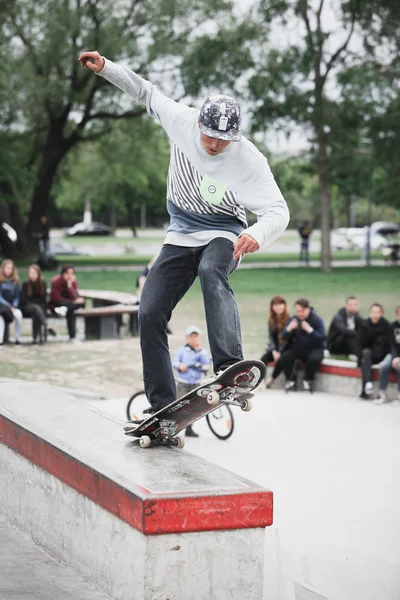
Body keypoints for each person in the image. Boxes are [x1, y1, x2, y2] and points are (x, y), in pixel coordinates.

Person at [78, 51, 289, 424]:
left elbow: (278, 210)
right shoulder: (181, 118)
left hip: (225, 232)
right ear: (199, 125)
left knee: (212, 270)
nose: (213, 145)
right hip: (179, 234)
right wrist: (107, 68)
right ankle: (160, 403)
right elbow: (145, 91)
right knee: (149, 310)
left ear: (234, 137)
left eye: (223, 141)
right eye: (209, 137)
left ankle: (230, 368)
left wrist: (257, 233)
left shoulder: (249, 160)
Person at [172, 326, 211, 437]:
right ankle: (175, 427)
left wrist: (200, 351)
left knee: (193, 407)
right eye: (192, 337)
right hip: (183, 383)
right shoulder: (182, 351)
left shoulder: (202, 352)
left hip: (196, 383)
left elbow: (206, 362)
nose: (194, 339)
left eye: (196, 336)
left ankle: (189, 428)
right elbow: (174, 362)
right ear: (187, 338)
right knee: (180, 406)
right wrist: (180, 365)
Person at [280, 298, 325, 391]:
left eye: (302, 311)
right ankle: (291, 380)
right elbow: (283, 337)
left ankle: (308, 379)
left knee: (313, 359)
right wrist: (289, 329)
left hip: (314, 348)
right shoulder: (294, 319)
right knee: (285, 357)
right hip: (298, 348)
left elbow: (322, 338)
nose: (299, 314)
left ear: (308, 309)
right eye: (297, 311)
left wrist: (310, 330)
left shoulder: (317, 319)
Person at [357, 303, 390, 399]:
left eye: (377, 312)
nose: (375, 315)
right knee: (365, 356)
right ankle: (368, 384)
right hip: (368, 354)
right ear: (370, 313)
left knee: (365, 360)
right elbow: (358, 343)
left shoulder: (386, 326)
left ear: (382, 313)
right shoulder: (364, 325)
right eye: (373, 312)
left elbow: (388, 344)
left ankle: (366, 389)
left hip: (381, 355)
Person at [20, 264, 56, 344]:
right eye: (31, 273)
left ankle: (36, 338)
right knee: (35, 309)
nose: (32, 275)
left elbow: (43, 299)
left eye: (34, 273)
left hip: (39, 308)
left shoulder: (42, 283)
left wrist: (38, 306)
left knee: (36, 313)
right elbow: (23, 300)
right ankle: (46, 325)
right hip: (27, 307)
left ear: (38, 274)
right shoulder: (25, 284)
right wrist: (34, 305)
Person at [49, 265, 85, 343]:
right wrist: (72, 302)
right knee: (72, 309)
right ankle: (73, 336)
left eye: (71, 273)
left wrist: (69, 286)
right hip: (56, 306)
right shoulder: (55, 281)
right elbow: (56, 298)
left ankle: (72, 337)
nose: (69, 276)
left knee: (79, 304)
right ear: (63, 273)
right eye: (67, 273)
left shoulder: (73, 282)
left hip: (66, 307)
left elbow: (75, 297)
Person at [260, 295, 290, 388]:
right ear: (272, 307)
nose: (278, 307)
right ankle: (261, 381)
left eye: (280, 304)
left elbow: (288, 339)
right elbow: (271, 337)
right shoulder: (272, 320)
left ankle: (271, 380)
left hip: (286, 348)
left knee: (282, 359)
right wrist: (273, 350)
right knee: (263, 359)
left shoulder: (290, 319)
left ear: (284, 305)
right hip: (275, 349)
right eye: (275, 305)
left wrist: (280, 351)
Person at [374, 305, 400, 404]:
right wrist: (395, 357)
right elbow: (392, 344)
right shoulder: (392, 326)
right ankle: (381, 394)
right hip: (394, 355)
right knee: (384, 366)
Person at [0, 259, 23, 346]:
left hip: (13, 307)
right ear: (3, 268)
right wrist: (9, 306)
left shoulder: (16, 281)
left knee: (19, 315)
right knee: (0, 318)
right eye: (7, 268)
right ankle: (0, 340)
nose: (9, 270)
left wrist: (14, 305)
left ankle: (17, 339)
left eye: (11, 268)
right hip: (2, 307)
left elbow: (17, 297)